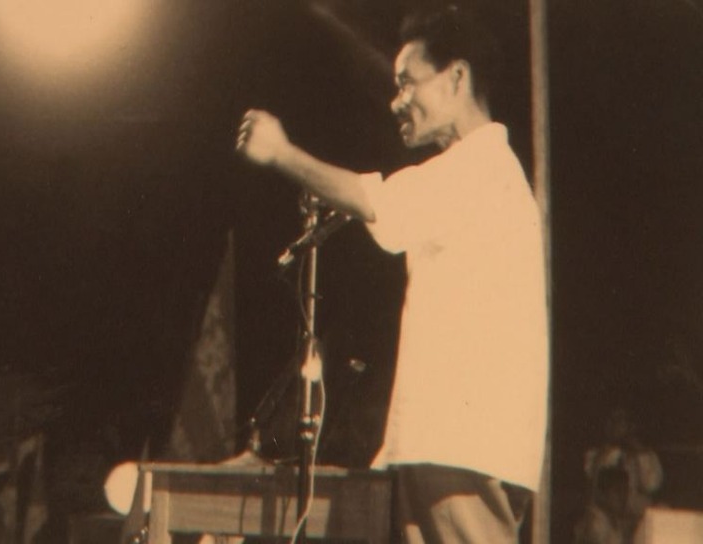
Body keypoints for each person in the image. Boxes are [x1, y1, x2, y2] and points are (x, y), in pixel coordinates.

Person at [236, 5, 548, 543]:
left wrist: (281, 153)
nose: (396, 101)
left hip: (459, 452)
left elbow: (373, 200)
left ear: (456, 77)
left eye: (407, 83)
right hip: (448, 450)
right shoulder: (473, 172)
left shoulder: (481, 168)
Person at [574, 407, 663, 544]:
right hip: (608, 522)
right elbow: (596, 486)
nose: (618, 426)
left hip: (637, 522)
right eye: (614, 420)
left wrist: (637, 451)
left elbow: (652, 484)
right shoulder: (597, 455)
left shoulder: (645, 455)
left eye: (622, 420)